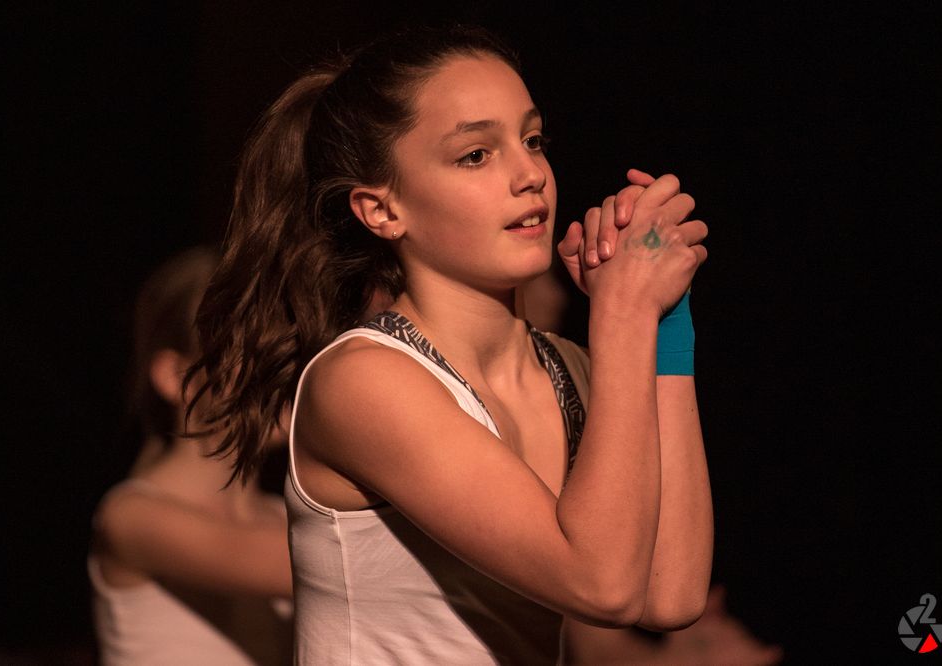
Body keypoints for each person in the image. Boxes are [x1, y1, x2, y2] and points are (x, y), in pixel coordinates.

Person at [190, 24, 712, 664]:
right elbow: (601, 586)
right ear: (382, 211)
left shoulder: (569, 370)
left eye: (533, 140)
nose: (530, 174)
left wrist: (664, 323)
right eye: (476, 155)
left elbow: (669, 594)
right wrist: (624, 312)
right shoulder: (363, 379)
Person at [89, 247, 293, 666]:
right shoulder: (132, 517)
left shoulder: (287, 518)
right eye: (252, 348)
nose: (284, 368)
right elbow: (324, 567)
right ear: (175, 375)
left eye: (290, 345)